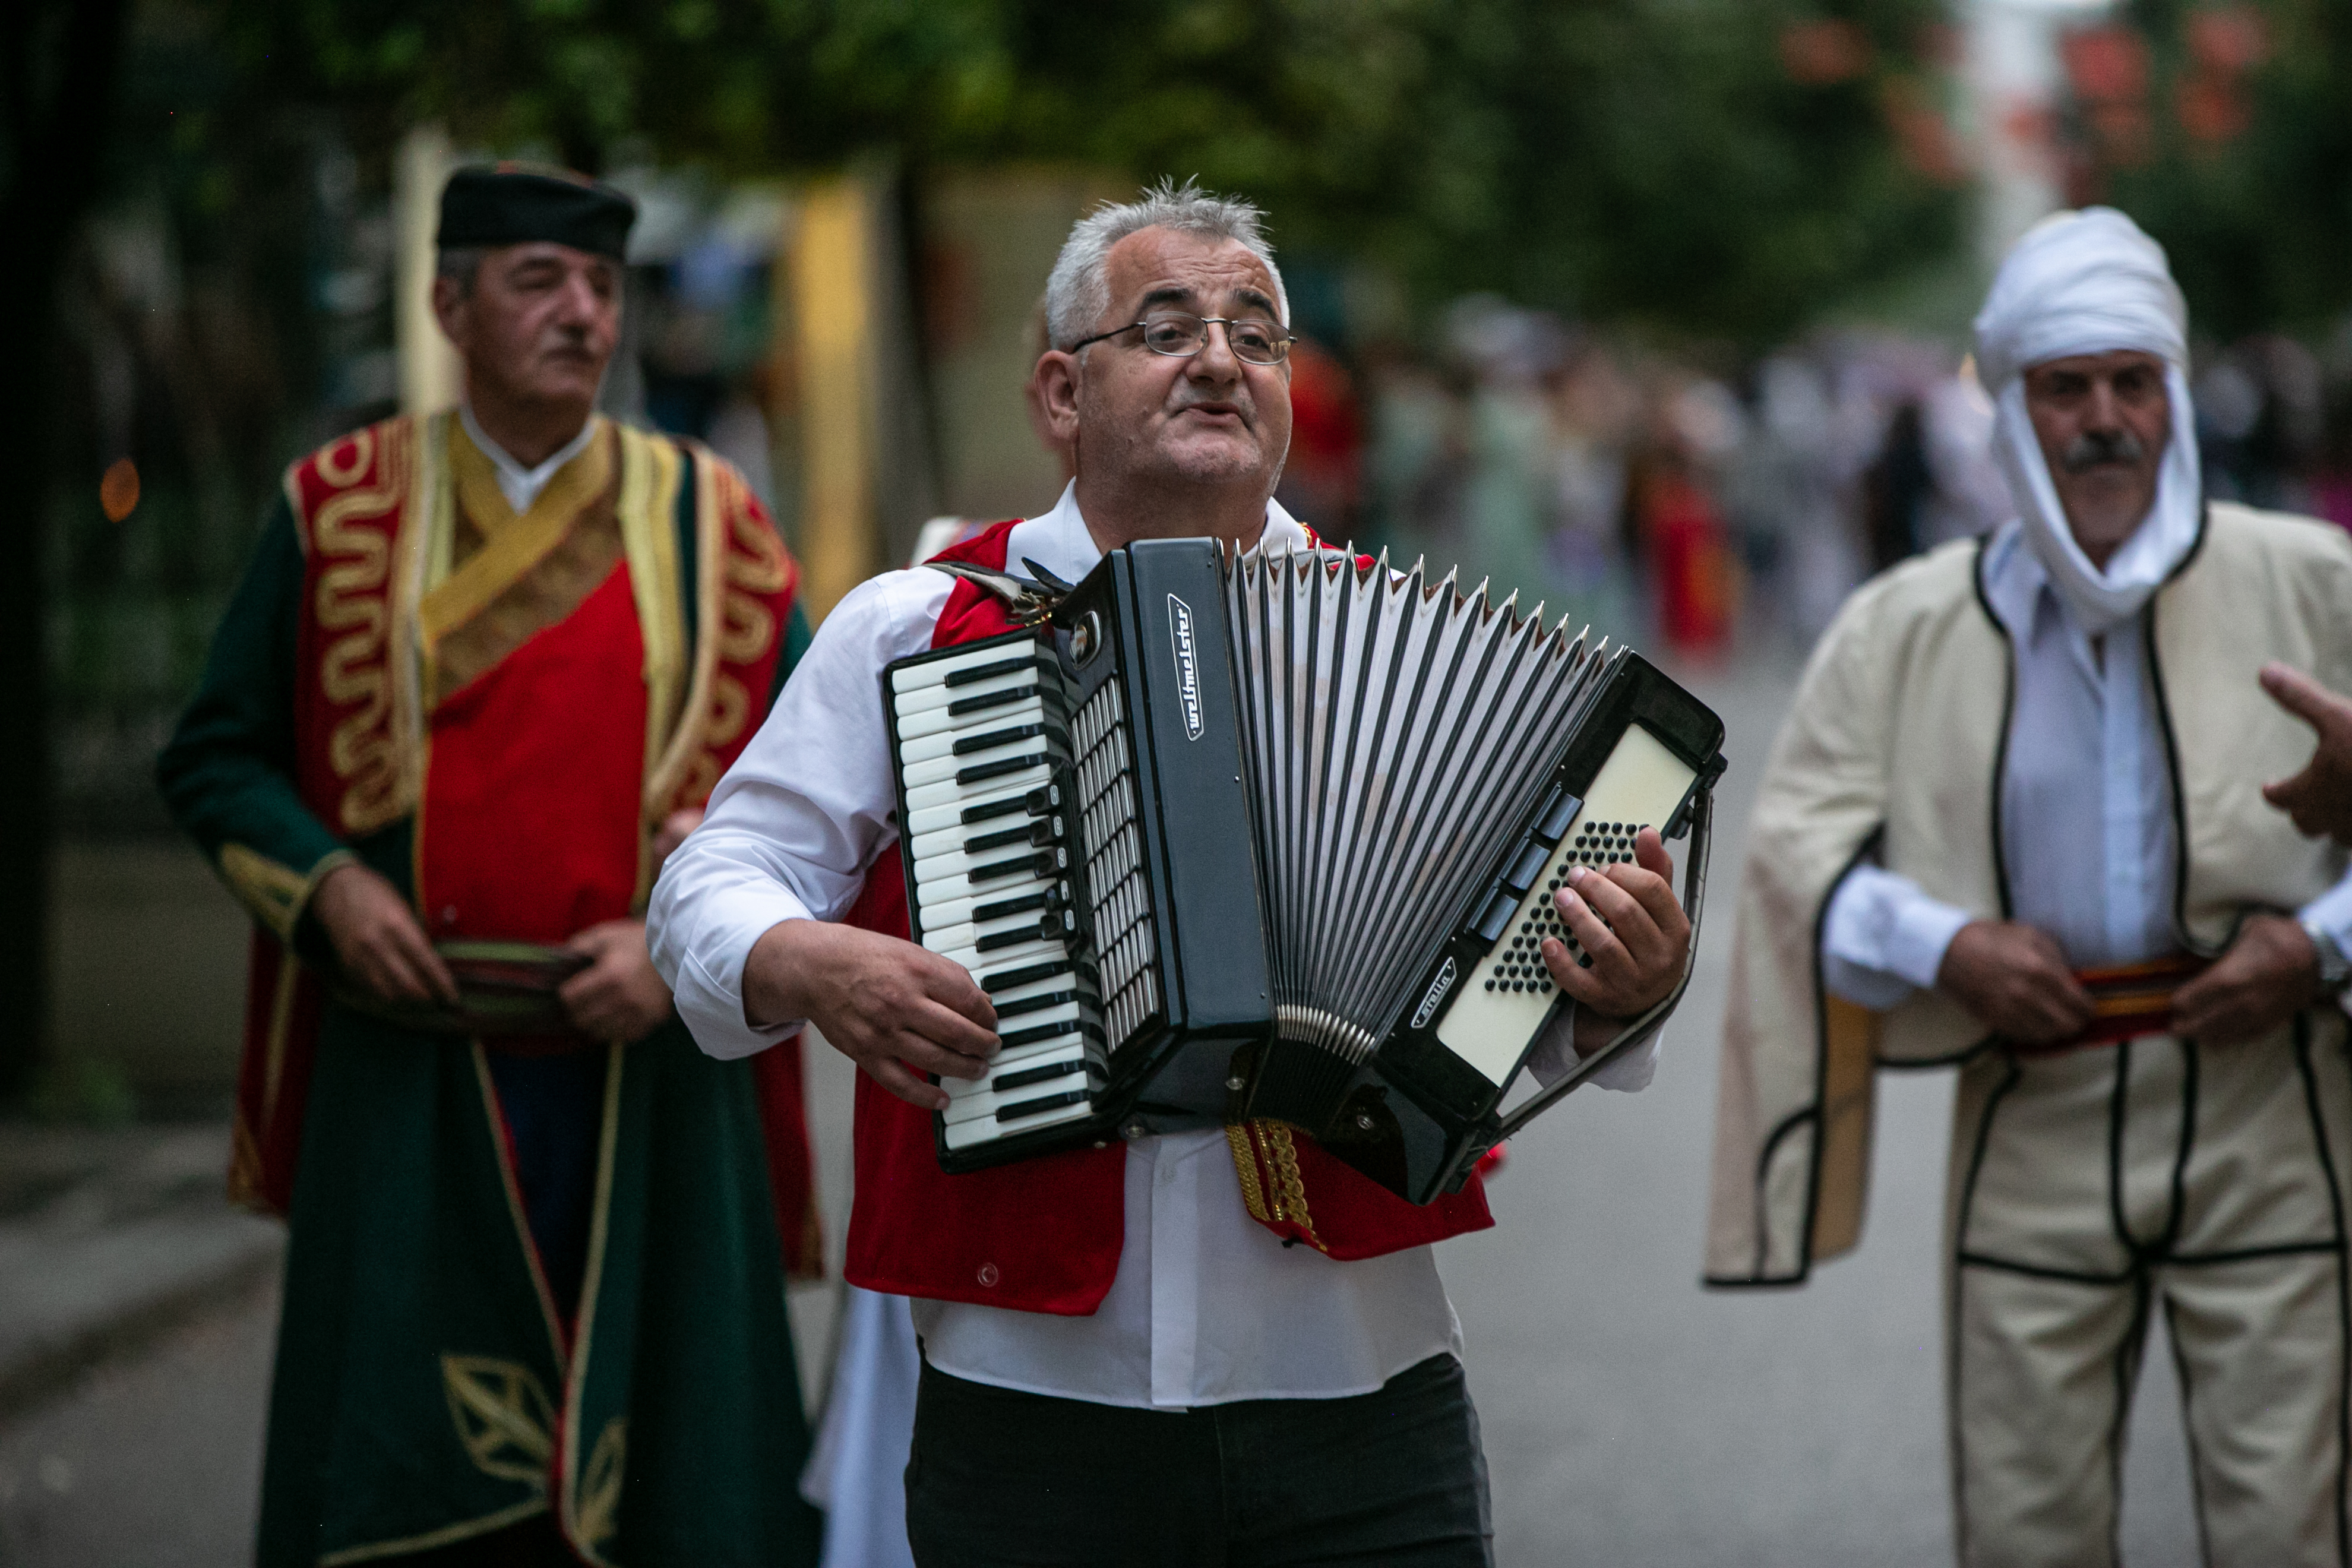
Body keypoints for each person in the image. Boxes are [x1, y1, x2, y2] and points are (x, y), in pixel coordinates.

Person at [649, 180, 1695, 1568]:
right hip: (1030, 1406)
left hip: (1360, 1389)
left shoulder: (1404, 648)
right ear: (1059, 394)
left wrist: (1631, 985)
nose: (1221, 358)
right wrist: (805, 958)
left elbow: (1512, 992)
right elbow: (719, 875)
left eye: (1257, 335)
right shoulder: (919, 628)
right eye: (1165, 328)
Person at [157, 163, 824, 1567]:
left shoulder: (719, 524)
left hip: (648, 1074)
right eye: (539, 282)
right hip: (406, 1072)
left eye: (602, 288)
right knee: (401, 1477)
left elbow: (836, 789)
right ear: (448, 303)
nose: (582, 314)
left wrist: (683, 944)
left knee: (675, 1489)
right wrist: (327, 886)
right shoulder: (331, 509)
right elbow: (216, 756)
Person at [1705, 206, 2352, 1567]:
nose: (2105, 420)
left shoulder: (2317, 585)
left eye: (2134, 381)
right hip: (2031, 1105)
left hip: (2273, 1111)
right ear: (2007, 409)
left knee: (2291, 1525)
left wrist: (2321, 943)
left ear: (2176, 394)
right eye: (2066, 388)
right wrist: (1946, 947)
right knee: (2024, 1527)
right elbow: (1797, 849)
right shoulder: (1910, 622)